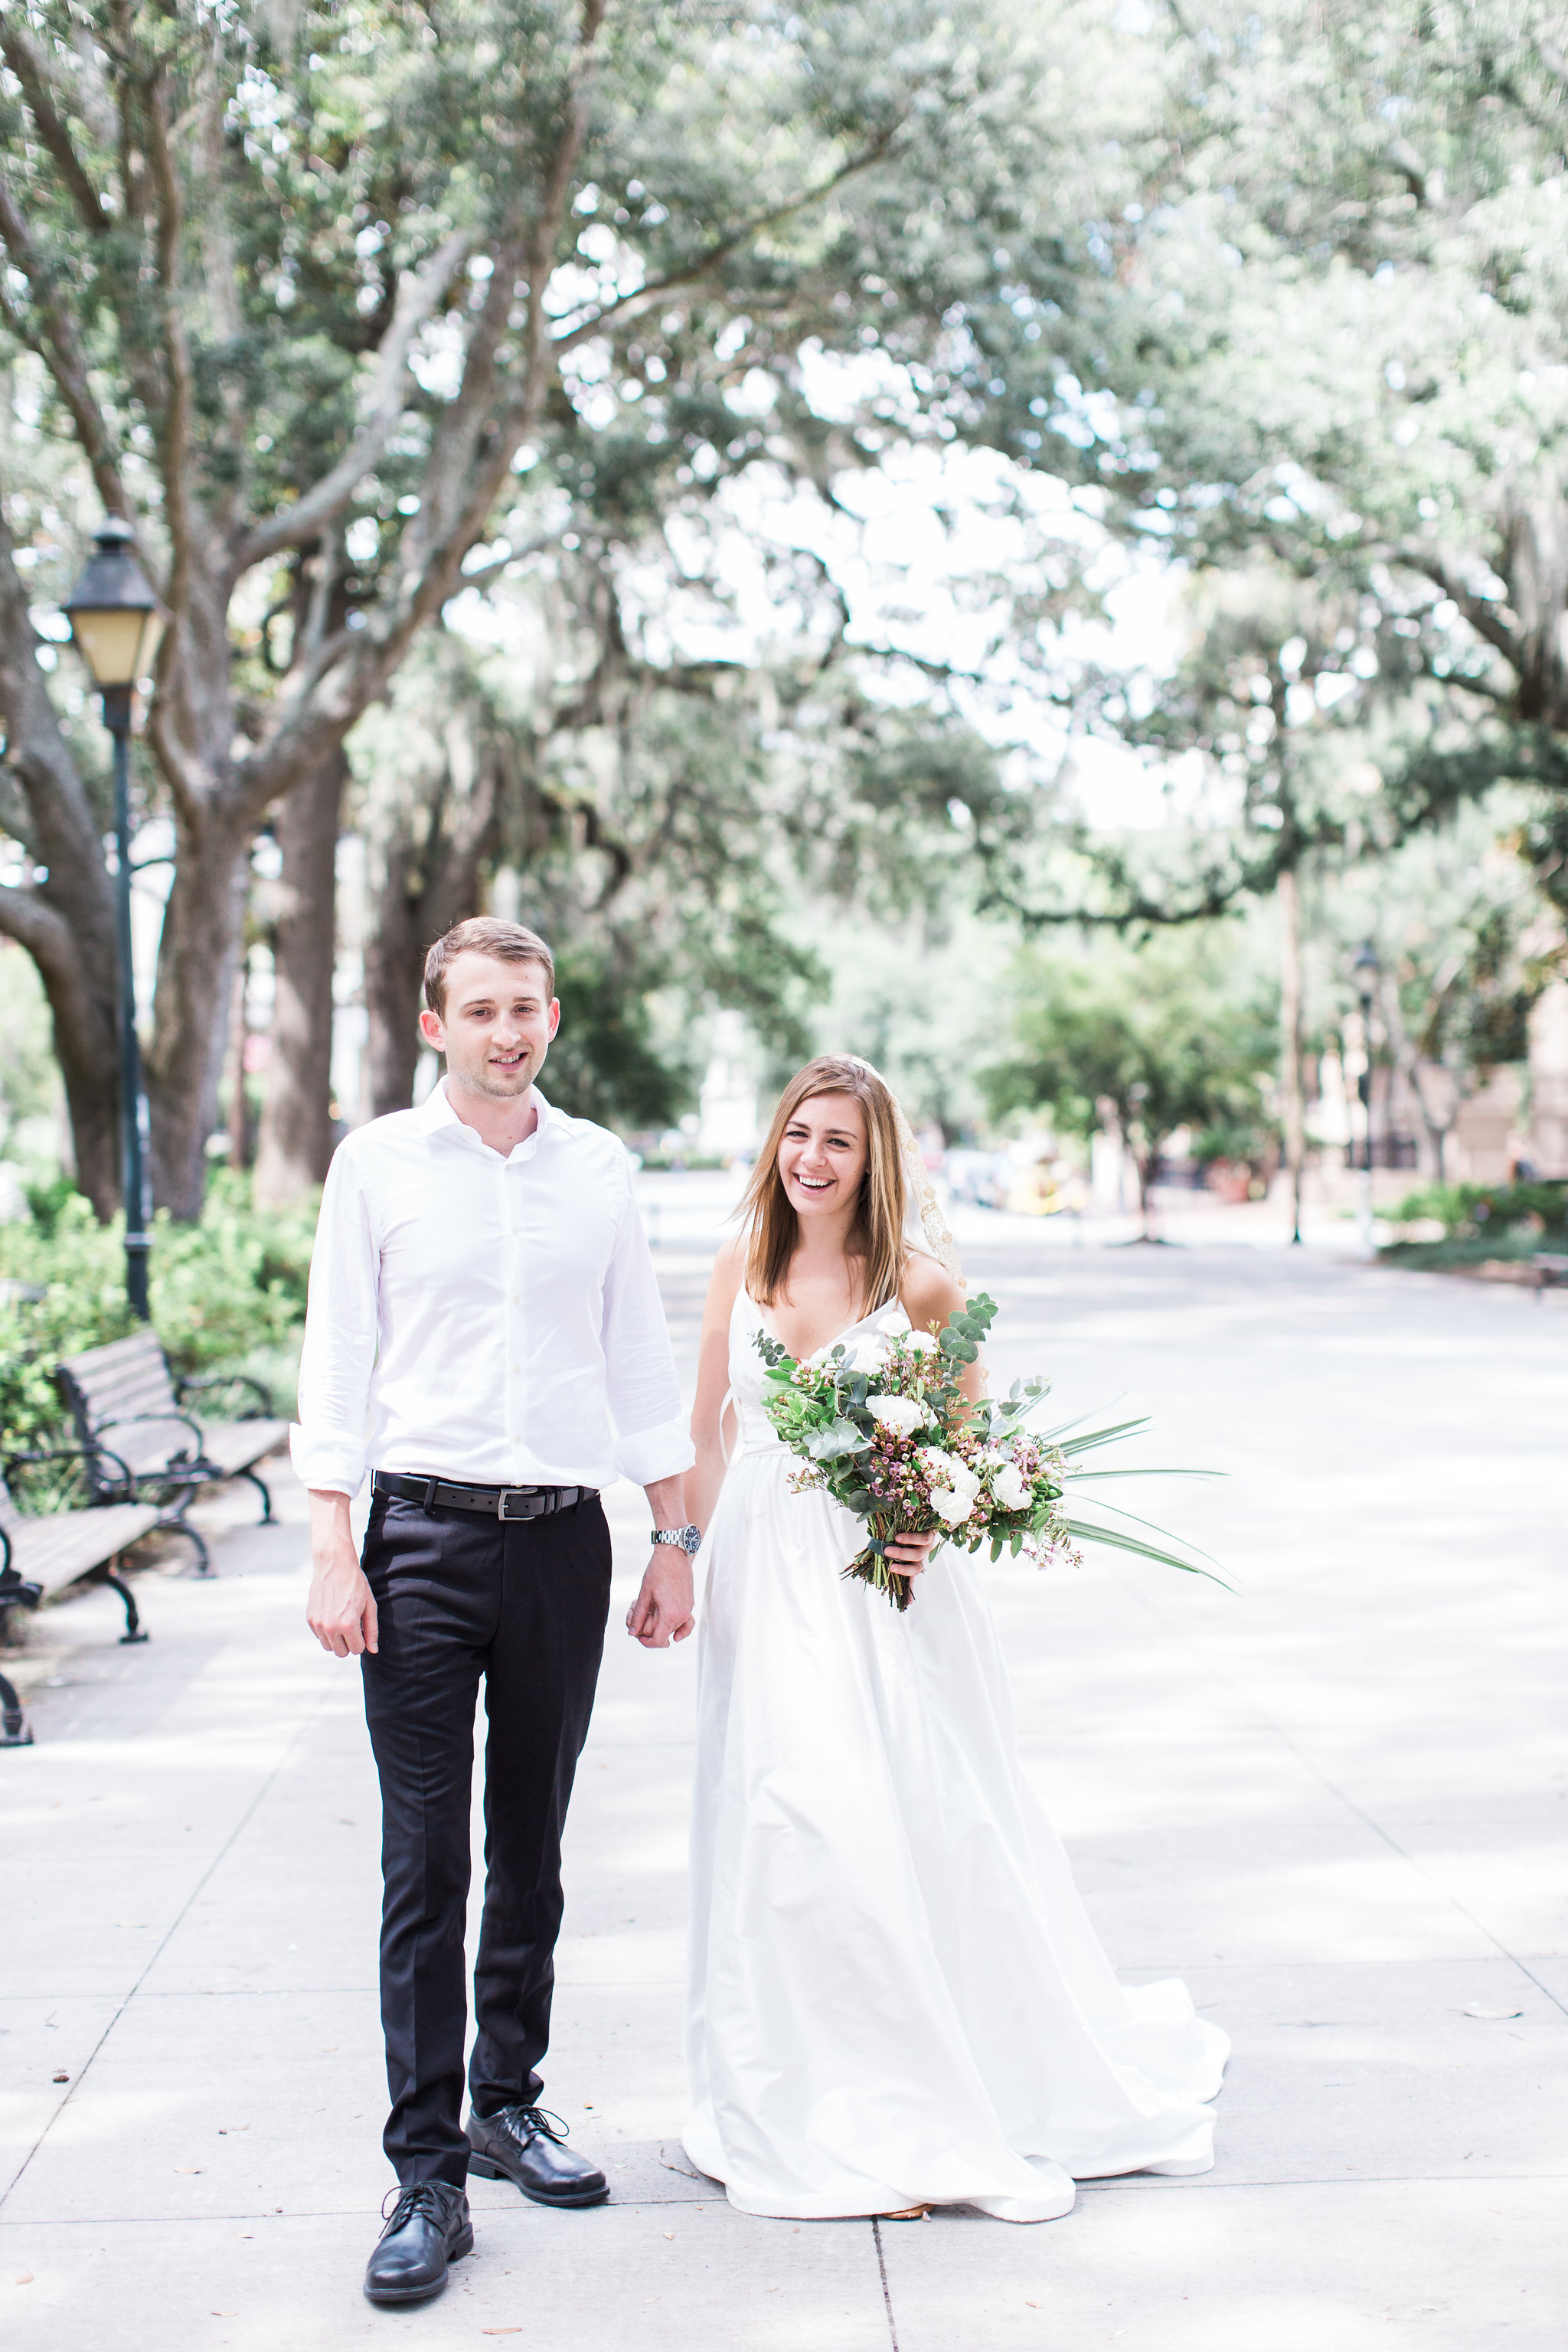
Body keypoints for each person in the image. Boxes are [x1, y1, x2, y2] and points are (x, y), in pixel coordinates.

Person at [678, 1055, 1228, 2223]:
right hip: (758, 1587)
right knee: (780, 1821)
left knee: (891, 1819)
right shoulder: (742, 1261)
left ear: (877, 1160)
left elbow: (964, 1446)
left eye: (840, 1142)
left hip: (878, 1593)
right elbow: (708, 1436)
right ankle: (799, 2071)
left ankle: (914, 2082)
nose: (813, 1160)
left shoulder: (921, 1286)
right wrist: (680, 1554)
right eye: (798, 1134)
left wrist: (924, 1519)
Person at [295, 917, 700, 2308]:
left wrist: (673, 1534)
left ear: (554, 1015)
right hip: (414, 1540)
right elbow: (338, 1354)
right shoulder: (379, 1165)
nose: (505, 1032)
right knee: (428, 1864)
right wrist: (331, 1549)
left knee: (531, 1840)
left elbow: (637, 1351)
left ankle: (506, 2101)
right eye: (479, 1011)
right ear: (435, 1024)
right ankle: (423, 2176)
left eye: (524, 1009)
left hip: (559, 1546)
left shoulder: (598, 1169)